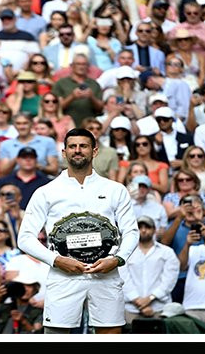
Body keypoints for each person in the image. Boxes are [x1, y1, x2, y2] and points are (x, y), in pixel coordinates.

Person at [19, 128, 138, 333]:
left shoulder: (115, 189)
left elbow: (131, 232)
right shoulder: (46, 192)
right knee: (57, 337)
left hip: (106, 273)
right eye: (72, 146)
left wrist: (117, 259)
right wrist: (57, 260)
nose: (77, 150)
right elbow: (25, 238)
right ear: (64, 153)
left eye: (83, 146)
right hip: (63, 275)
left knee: (111, 335)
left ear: (94, 151)